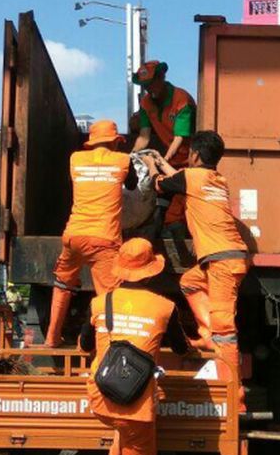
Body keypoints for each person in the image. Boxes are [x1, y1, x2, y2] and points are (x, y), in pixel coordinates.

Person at [79, 238, 189, 455]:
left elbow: (84, 345)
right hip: (135, 404)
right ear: (151, 270)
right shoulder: (164, 307)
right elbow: (181, 347)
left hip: (101, 395)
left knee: (123, 426)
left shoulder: (100, 302)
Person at [145, 131, 250, 404]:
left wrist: (151, 167)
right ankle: (206, 335)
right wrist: (161, 160)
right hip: (226, 255)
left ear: (195, 155)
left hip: (222, 260)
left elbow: (162, 185)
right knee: (189, 282)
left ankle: (233, 396)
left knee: (225, 329)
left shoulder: (192, 178)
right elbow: (182, 179)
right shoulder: (217, 180)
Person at [43, 119, 132, 347]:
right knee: (107, 297)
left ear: (91, 142)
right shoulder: (122, 160)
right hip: (104, 238)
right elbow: (132, 185)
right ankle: (106, 345)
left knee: (63, 282)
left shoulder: (76, 159)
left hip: (74, 235)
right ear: (114, 142)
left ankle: (52, 338)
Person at [132, 61, 197, 232]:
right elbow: (144, 136)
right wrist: (131, 156)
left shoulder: (181, 100)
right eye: (144, 86)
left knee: (178, 211)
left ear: (162, 78)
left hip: (190, 162)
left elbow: (179, 137)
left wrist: (162, 161)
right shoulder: (146, 103)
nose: (148, 89)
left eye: (150, 84)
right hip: (169, 161)